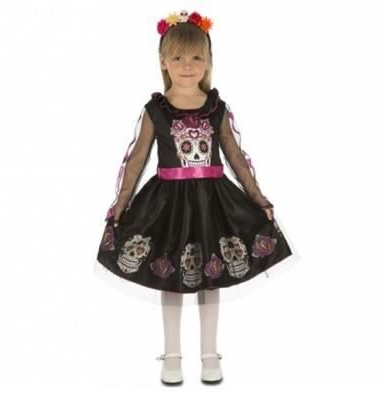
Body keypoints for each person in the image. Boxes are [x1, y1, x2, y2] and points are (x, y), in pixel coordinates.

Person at [94, 10, 299, 385]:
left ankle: (209, 353)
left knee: (210, 275)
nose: (187, 66)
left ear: (208, 61)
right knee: (168, 274)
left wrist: (258, 198)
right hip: (166, 204)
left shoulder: (217, 108)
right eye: (177, 57)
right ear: (162, 61)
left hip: (213, 203)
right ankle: (172, 354)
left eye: (195, 57)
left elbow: (236, 157)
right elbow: (137, 160)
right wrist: (120, 205)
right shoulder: (155, 110)